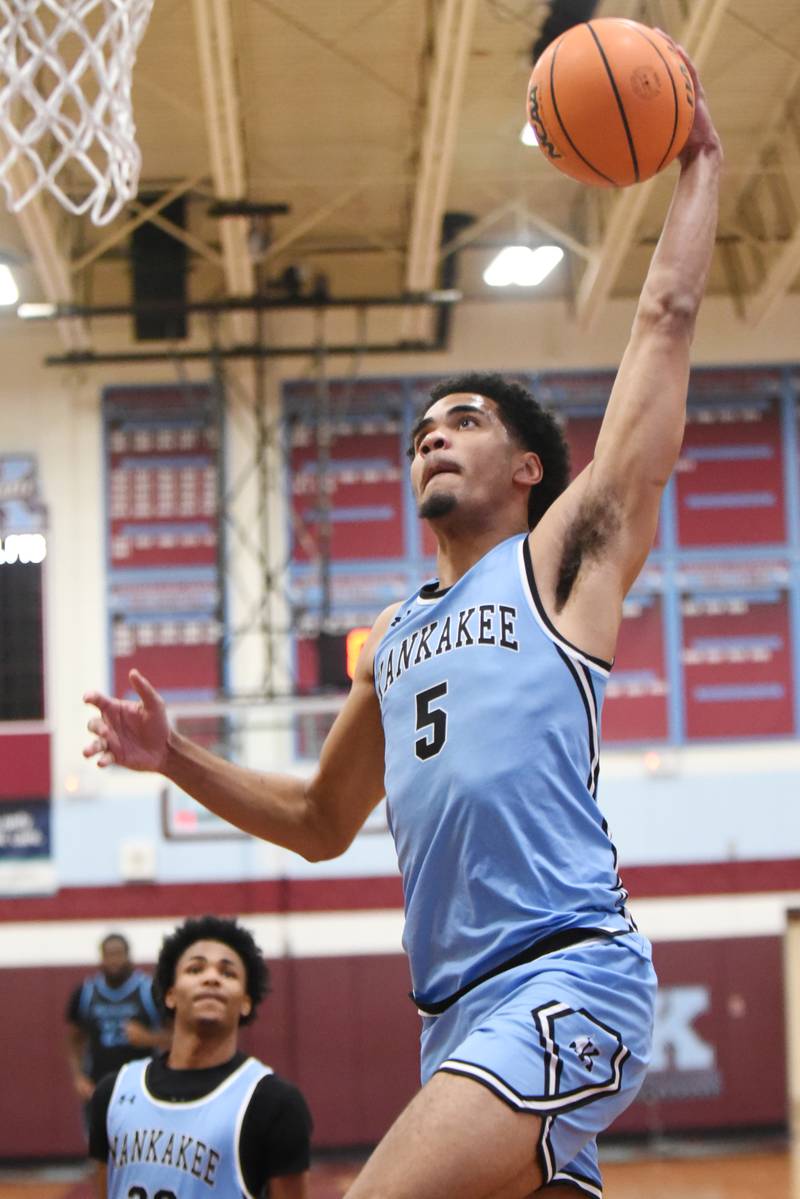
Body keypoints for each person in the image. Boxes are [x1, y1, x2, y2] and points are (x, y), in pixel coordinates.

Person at [84, 42, 722, 1199]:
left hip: (562, 973)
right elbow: (322, 817)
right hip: (455, 1009)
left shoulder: (558, 564)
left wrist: (696, 167)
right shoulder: (397, 634)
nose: (432, 431)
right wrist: (171, 753)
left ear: (528, 467)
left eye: (464, 419)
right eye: (421, 425)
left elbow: (666, 323)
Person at [88, 914, 312, 1199]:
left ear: (245, 1002)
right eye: (195, 969)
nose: (211, 978)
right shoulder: (113, 1093)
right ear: (170, 994)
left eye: (228, 973)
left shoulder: (273, 1102)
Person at [66, 932, 168, 1126]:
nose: (114, 960)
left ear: (129, 956)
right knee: (100, 1150)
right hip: (99, 1083)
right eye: (109, 954)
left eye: (119, 953)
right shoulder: (86, 992)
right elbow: (74, 1039)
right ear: (101, 958)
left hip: (143, 1085)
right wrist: (79, 1077)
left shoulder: (149, 990)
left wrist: (149, 1039)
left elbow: (178, 1037)